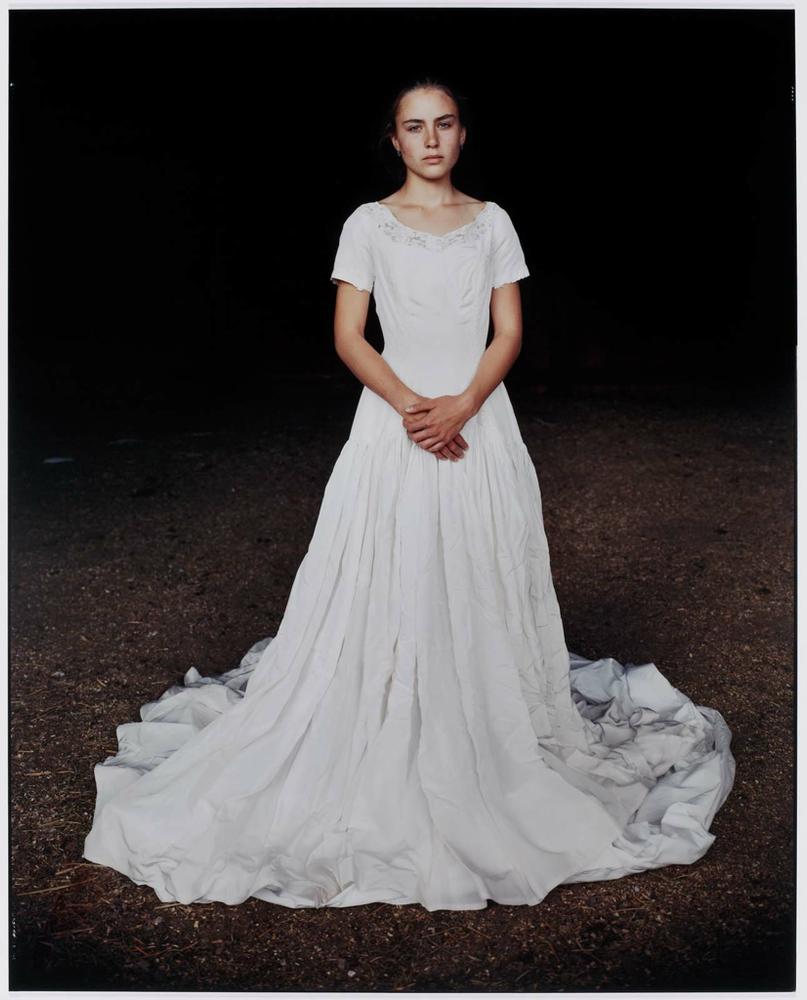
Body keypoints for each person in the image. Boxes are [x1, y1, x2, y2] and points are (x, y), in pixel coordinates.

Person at [82, 78, 736, 911]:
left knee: (476, 558)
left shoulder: (492, 221)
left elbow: (509, 331)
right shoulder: (368, 223)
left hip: (478, 420)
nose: (430, 140)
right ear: (394, 140)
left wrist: (462, 405)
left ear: (462, 135)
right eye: (413, 127)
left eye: (444, 125)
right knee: (385, 563)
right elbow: (348, 335)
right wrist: (412, 410)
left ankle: (480, 717)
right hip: (392, 419)